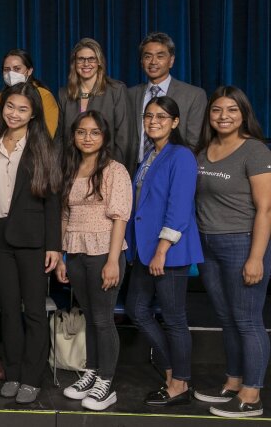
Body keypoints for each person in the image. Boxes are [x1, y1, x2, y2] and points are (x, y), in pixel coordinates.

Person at [192, 86, 271, 418]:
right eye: (217, 110)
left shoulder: (254, 150)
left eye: (231, 110)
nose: (223, 116)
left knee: (248, 320)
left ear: (243, 114)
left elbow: (266, 208)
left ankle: (252, 395)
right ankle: (234, 381)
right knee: (226, 318)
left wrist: (255, 257)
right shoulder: (204, 149)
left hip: (242, 242)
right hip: (208, 244)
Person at [0, 82, 61, 403]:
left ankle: (32, 377)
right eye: (10, 107)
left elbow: (53, 201)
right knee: (9, 311)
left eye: (22, 109)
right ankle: (13, 372)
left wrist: (54, 245)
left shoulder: (44, 147)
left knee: (34, 313)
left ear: (33, 114)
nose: (14, 114)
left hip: (32, 240)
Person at [124, 96, 203, 407]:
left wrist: (161, 250)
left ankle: (180, 384)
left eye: (161, 116)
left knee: (174, 319)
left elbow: (179, 207)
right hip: (146, 251)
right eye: (148, 116)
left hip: (166, 252)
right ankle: (171, 369)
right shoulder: (149, 157)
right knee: (137, 310)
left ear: (175, 122)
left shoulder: (181, 156)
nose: (153, 121)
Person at [55, 111, 132, 411]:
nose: (87, 138)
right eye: (82, 132)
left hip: (103, 250)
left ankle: (106, 381)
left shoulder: (115, 170)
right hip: (75, 251)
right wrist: (62, 257)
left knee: (103, 319)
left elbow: (120, 218)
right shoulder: (69, 168)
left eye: (95, 132)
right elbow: (64, 216)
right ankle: (92, 371)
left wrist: (113, 261)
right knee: (89, 316)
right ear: (73, 136)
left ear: (104, 137)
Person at [126, 32, 207, 171]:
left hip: (173, 169)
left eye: (160, 56)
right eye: (147, 56)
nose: (153, 62)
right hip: (134, 170)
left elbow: (195, 143)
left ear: (171, 61)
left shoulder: (193, 95)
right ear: (141, 62)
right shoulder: (129, 94)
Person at [57, 38, 131, 165]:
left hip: (107, 167)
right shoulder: (64, 94)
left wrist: (112, 171)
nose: (86, 64)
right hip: (71, 169)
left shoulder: (116, 90)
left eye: (91, 59)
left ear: (99, 62)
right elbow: (59, 138)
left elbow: (123, 139)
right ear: (74, 63)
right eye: (81, 59)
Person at [0, 49, 59, 139]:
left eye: (17, 69)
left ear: (29, 71)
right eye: (6, 69)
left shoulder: (44, 96)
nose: (11, 73)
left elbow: (47, 134)